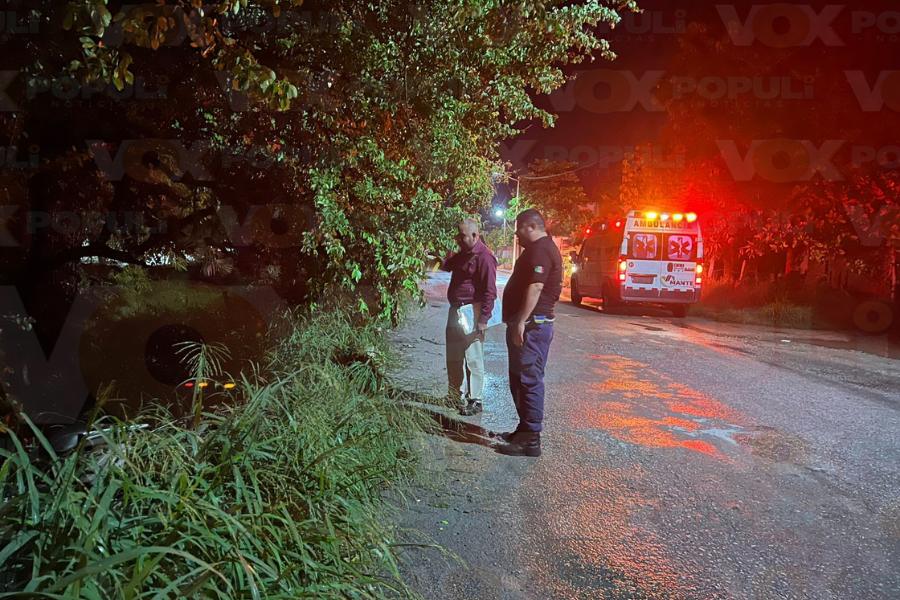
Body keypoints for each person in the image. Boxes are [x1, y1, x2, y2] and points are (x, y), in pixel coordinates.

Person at [495, 209, 561, 457]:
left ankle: (531, 439)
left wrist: (521, 321)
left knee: (528, 380)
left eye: (518, 229)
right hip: (530, 324)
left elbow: (536, 286)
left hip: (533, 326)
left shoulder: (541, 249)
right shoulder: (539, 248)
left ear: (529, 226)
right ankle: (524, 429)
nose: (516, 235)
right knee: (519, 379)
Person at [441, 218, 498, 416]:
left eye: (462, 235)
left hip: (471, 311)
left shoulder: (484, 257)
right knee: (454, 356)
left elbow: (490, 291)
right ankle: (454, 395)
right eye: (457, 234)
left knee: (473, 358)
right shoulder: (464, 254)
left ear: (475, 236)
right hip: (455, 310)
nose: (458, 239)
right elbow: (446, 266)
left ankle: (475, 400)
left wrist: (483, 319)